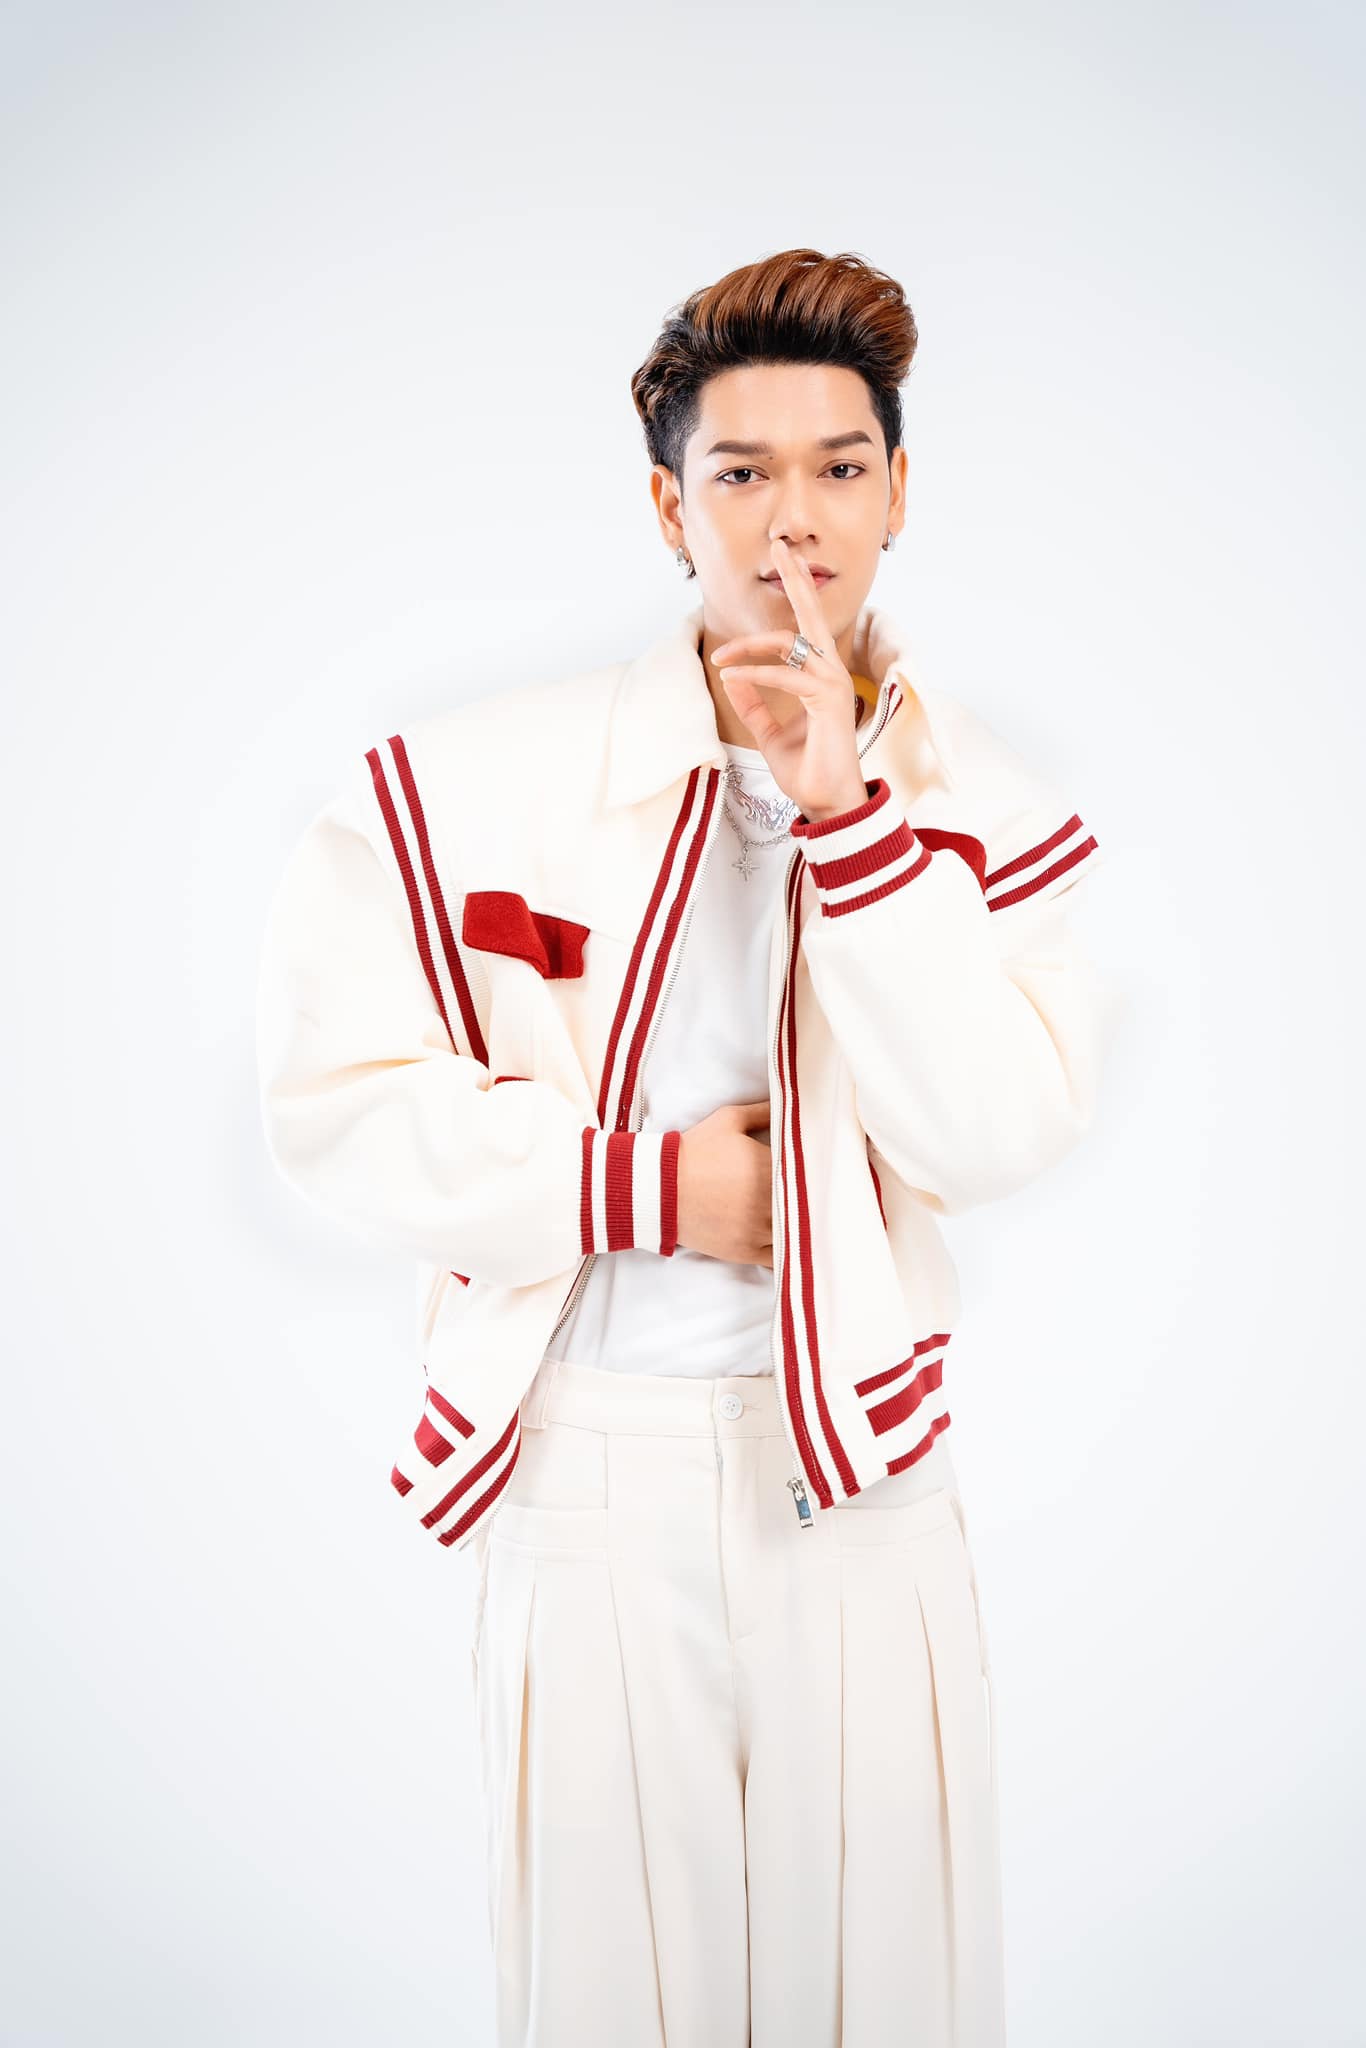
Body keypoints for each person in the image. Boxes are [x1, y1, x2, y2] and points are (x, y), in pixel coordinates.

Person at [256, 245, 1111, 2046]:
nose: (793, 518)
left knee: (887, 1993)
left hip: (863, 1480)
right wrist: (656, 1189)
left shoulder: (986, 811)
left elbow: (994, 1129)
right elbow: (332, 1107)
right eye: (740, 473)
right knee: (604, 1994)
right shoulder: (465, 786)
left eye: (839, 467)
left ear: (897, 490)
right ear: (668, 505)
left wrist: (843, 817)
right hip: (589, 1468)